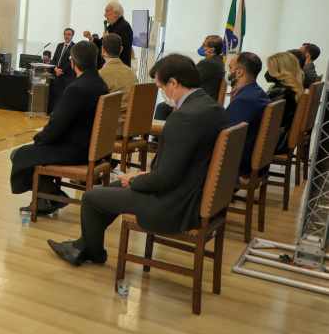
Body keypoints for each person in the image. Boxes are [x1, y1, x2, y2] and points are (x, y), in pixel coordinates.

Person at [47, 54, 230, 267]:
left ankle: (91, 251)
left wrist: (136, 180)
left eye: (162, 87)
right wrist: (144, 177)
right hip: (193, 191)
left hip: (174, 203)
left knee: (90, 197)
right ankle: (83, 246)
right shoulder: (213, 107)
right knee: (115, 186)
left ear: (174, 82)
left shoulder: (183, 117)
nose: (163, 94)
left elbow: (165, 179)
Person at [9, 41, 109, 214]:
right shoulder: (101, 84)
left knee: (19, 154)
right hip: (91, 147)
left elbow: (57, 125)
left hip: (74, 149)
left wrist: (39, 139)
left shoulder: (77, 88)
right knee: (31, 154)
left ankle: (52, 196)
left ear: (73, 63)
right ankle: (46, 199)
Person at [155, 35, 225, 120]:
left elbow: (188, 78)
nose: (202, 47)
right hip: (204, 100)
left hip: (199, 102)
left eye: (204, 45)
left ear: (212, 49)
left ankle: (160, 132)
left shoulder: (209, 63)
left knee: (162, 107)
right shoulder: (217, 61)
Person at [225, 52, 271, 178]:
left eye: (230, 68)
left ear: (239, 73)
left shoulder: (244, 100)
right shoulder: (257, 92)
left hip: (240, 165)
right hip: (254, 160)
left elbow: (229, 138)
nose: (228, 73)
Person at [97, 34, 138, 137]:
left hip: (112, 128)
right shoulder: (132, 73)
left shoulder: (101, 74)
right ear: (121, 49)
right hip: (133, 126)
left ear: (102, 50)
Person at [265, 51, 304, 155]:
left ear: (279, 71)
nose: (267, 72)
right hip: (280, 139)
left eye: (270, 69)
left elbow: (267, 120)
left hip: (272, 142)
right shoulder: (292, 90)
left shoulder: (282, 93)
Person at [82, 1, 133, 67]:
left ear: (116, 13)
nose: (105, 15)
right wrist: (91, 38)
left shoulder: (124, 26)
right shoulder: (112, 26)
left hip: (117, 67)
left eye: (107, 11)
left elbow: (118, 49)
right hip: (108, 66)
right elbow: (102, 42)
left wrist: (108, 39)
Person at [51, 28, 77, 104]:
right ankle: (56, 111)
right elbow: (54, 59)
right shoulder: (60, 45)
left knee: (65, 96)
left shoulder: (74, 47)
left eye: (69, 34)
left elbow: (71, 61)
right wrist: (55, 69)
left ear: (72, 36)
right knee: (57, 95)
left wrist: (61, 70)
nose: (67, 36)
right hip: (57, 74)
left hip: (67, 76)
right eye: (65, 34)